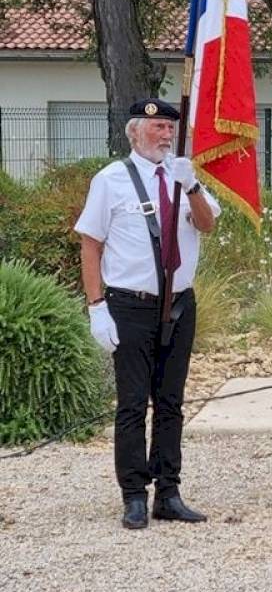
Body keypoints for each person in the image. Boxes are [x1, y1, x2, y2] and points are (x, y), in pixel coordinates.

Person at [75, 98, 220, 529]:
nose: (165, 135)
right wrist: (96, 306)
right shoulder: (111, 180)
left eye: (169, 128)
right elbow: (90, 243)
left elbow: (207, 225)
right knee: (134, 403)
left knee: (171, 402)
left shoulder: (182, 175)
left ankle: (168, 491)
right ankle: (134, 493)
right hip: (131, 304)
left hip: (177, 303)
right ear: (135, 133)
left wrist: (191, 186)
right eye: (156, 128)